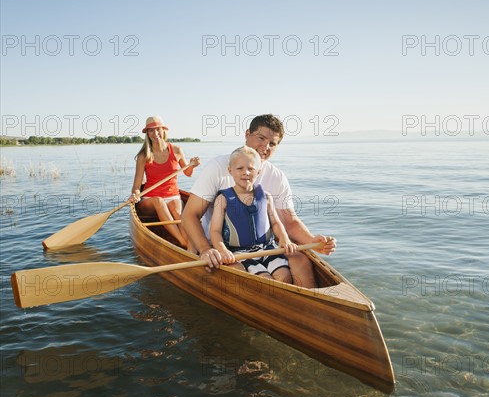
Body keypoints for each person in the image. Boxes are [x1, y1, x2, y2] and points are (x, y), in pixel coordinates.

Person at [182, 114, 336, 288]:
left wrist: (313, 242)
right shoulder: (219, 166)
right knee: (242, 274)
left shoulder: (276, 177)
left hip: (263, 246)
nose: (265, 147)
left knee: (301, 260)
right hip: (221, 246)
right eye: (261, 138)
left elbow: (288, 222)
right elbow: (189, 215)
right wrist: (205, 249)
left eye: (273, 143)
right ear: (247, 134)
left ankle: (309, 307)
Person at [209, 146, 296, 283]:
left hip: (267, 248)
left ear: (259, 172)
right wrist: (223, 250)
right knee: (264, 279)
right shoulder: (223, 199)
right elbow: (214, 231)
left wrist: (285, 239)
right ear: (230, 170)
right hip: (240, 253)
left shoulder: (266, 197)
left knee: (284, 276)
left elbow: (275, 223)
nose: (246, 173)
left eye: (251, 169)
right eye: (240, 168)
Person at [129, 116, 200, 248]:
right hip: (150, 198)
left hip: (173, 195)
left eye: (158, 129)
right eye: (151, 130)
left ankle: (187, 246)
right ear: (147, 134)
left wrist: (192, 165)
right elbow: (137, 184)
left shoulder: (177, 150)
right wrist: (135, 194)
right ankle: (183, 243)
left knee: (177, 211)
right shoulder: (144, 155)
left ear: (164, 130)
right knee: (159, 201)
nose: (155, 133)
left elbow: (188, 173)